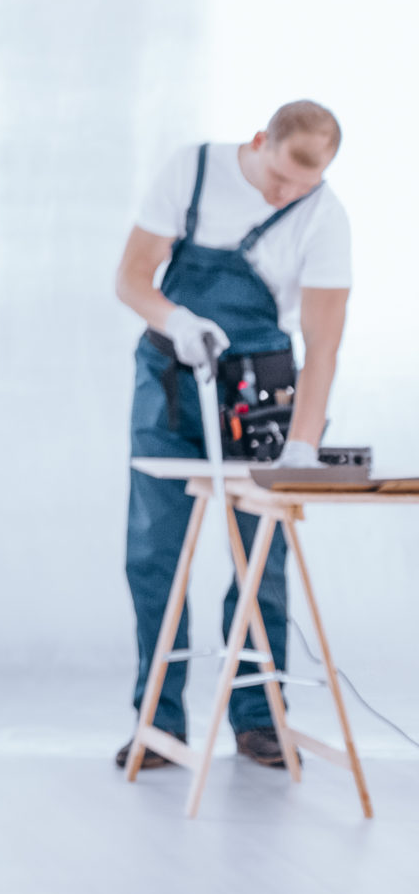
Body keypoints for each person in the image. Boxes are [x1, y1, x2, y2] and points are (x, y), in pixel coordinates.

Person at [111, 100, 350, 774]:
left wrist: (301, 445)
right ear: (257, 144)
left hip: (263, 393)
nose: (287, 195)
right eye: (279, 181)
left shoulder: (324, 217)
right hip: (172, 384)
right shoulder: (191, 171)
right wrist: (175, 318)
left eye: (304, 185)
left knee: (259, 561)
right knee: (155, 555)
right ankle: (156, 724)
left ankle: (258, 718)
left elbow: (324, 345)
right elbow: (130, 277)